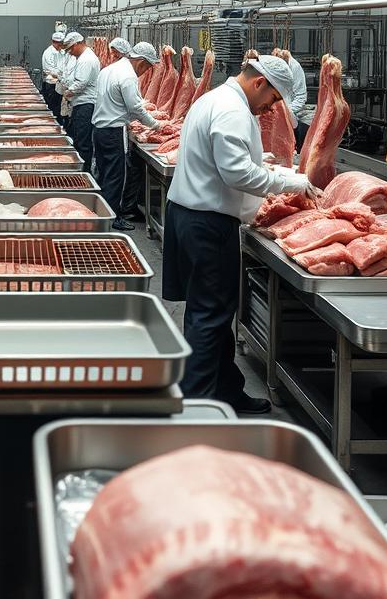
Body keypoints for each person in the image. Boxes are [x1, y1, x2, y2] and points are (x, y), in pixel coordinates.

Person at [163, 54, 317, 415]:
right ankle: (198, 404)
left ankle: (226, 389)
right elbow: (237, 174)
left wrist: (258, 159)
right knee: (210, 314)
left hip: (188, 215)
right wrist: (290, 182)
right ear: (259, 83)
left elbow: (224, 160)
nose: (271, 108)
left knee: (209, 312)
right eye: (274, 99)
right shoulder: (232, 110)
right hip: (207, 224)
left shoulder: (215, 99)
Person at [92, 41, 163, 230]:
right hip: (113, 131)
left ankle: (101, 214)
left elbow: (120, 103)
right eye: (148, 67)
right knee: (115, 177)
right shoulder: (128, 76)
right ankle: (112, 218)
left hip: (99, 129)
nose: (146, 71)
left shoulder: (110, 69)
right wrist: (155, 125)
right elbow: (135, 108)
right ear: (141, 62)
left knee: (104, 173)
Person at [58, 32, 100, 172]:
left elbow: (81, 83)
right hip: (81, 104)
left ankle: (83, 172)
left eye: (70, 49)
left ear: (77, 44)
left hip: (85, 106)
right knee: (79, 139)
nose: (70, 53)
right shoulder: (83, 58)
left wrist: (68, 92)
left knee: (83, 142)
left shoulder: (86, 59)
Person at [40, 31, 65, 117]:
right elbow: (50, 70)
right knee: (53, 108)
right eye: (59, 43)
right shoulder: (48, 53)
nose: (61, 45)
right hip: (51, 85)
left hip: (60, 84)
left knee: (59, 109)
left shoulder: (62, 52)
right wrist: (63, 75)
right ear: (54, 42)